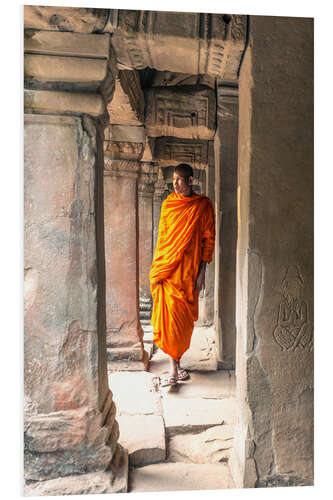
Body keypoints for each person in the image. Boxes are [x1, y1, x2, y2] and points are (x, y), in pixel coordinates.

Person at [149, 163, 215, 386]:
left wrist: (202, 272)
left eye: (180, 180)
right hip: (168, 271)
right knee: (169, 320)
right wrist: (159, 266)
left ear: (190, 181)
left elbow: (208, 240)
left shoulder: (203, 205)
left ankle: (176, 364)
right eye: (174, 180)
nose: (175, 184)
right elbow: (163, 239)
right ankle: (173, 368)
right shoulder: (169, 205)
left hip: (189, 272)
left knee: (182, 323)